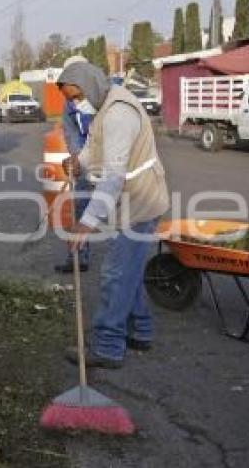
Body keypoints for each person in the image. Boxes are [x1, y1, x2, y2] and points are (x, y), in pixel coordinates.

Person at [58, 62, 169, 369]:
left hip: (140, 201)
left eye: (76, 96)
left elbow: (112, 177)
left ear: (91, 85)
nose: (75, 103)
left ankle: (107, 347)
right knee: (128, 270)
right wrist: (78, 162)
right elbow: (95, 146)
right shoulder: (105, 103)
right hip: (130, 200)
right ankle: (141, 331)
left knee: (116, 273)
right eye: (70, 99)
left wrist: (86, 223)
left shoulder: (119, 113)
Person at [56, 58, 95, 274]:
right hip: (84, 157)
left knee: (120, 213)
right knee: (80, 207)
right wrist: (76, 157)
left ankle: (124, 266)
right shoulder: (69, 102)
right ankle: (79, 259)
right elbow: (71, 132)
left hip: (112, 161)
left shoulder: (104, 96)